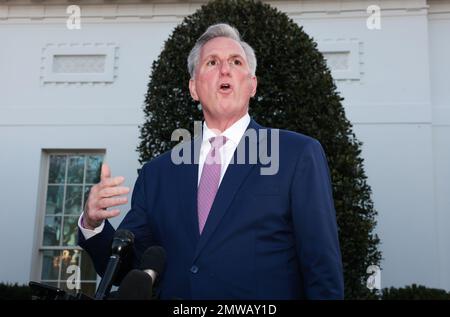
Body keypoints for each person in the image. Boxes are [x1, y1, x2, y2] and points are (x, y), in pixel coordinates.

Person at [78, 23, 344, 299]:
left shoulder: (297, 154)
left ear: (252, 85)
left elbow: (321, 267)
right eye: (212, 62)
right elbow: (127, 269)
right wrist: (92, 222)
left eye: (236, 61)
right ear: (194, 88)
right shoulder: (157, 174)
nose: (225, 69)